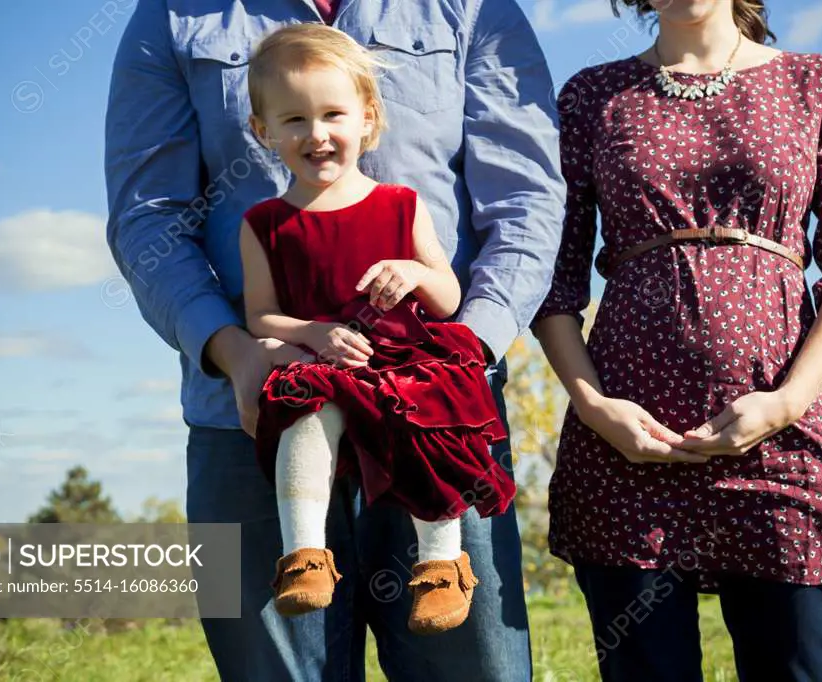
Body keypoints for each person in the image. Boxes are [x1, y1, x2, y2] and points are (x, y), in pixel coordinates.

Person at [104, 0, 563, 679]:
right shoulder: (173, 16)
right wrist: (234, 353)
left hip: (437, 414)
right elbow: (149, 218)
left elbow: (527, 201)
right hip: (250, 421)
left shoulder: (470, 8)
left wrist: (463, 355)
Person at [532, 1, 822, 681]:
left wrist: (787, 402)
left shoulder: (817, 83)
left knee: (803, 668)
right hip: (626, 452)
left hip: (780, 440)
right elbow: (552, 283)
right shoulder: (591, 96)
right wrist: (592, 406)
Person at [239, 24, 515, 636]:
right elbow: (261, 316)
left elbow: (448, 299)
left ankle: (442, 564)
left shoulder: (400, 204)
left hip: (404, 360)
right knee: (307, 415)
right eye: (293, 120)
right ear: (263, 132)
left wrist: (414, 270)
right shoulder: (264, 223)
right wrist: (314, 333)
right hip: (329, 364)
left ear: (367, 119)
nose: (316, 134)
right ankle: (305, 556)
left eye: (333, 114)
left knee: (427, 424)